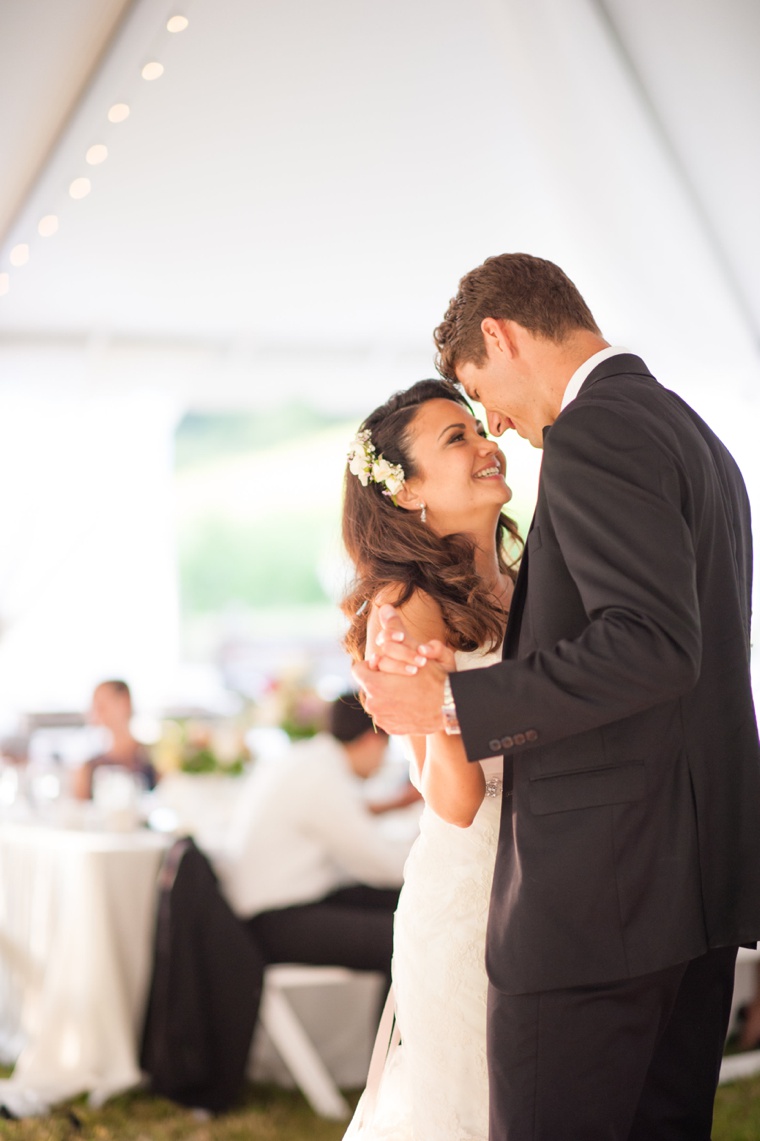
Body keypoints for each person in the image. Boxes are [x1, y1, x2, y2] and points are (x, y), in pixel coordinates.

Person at [355, 253, 760, 1140]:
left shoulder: (597, 434)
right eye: (461, 427)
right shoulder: (695, 434)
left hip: (601, 896)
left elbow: (652, 646)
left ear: (499, 335)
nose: (492, 422)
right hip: (686, 883)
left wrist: (453, 706)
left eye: (476, 392)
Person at [339, 379, 522, 1139]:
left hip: (545, 877)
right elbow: (453, 799)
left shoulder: (527, 579)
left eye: (479, 427)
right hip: (471, 900)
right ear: (407, 489)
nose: (487, 444)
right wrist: (448, 713)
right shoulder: (406, 607)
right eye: (457, 438)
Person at [217, 693, 416, 999]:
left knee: (403, 907)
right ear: (372, 740)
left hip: (279, 904)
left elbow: (360, 834)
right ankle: (394, 1046)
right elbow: (378, 863)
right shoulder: (321, 777)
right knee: (408, 937)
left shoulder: (309, 760)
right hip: (275, 920)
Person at [73, 678, 157, 800]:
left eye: (102, 705)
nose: (96, 711)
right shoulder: (90, 767)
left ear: (125, 702)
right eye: (96, 706)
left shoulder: (153, 759)